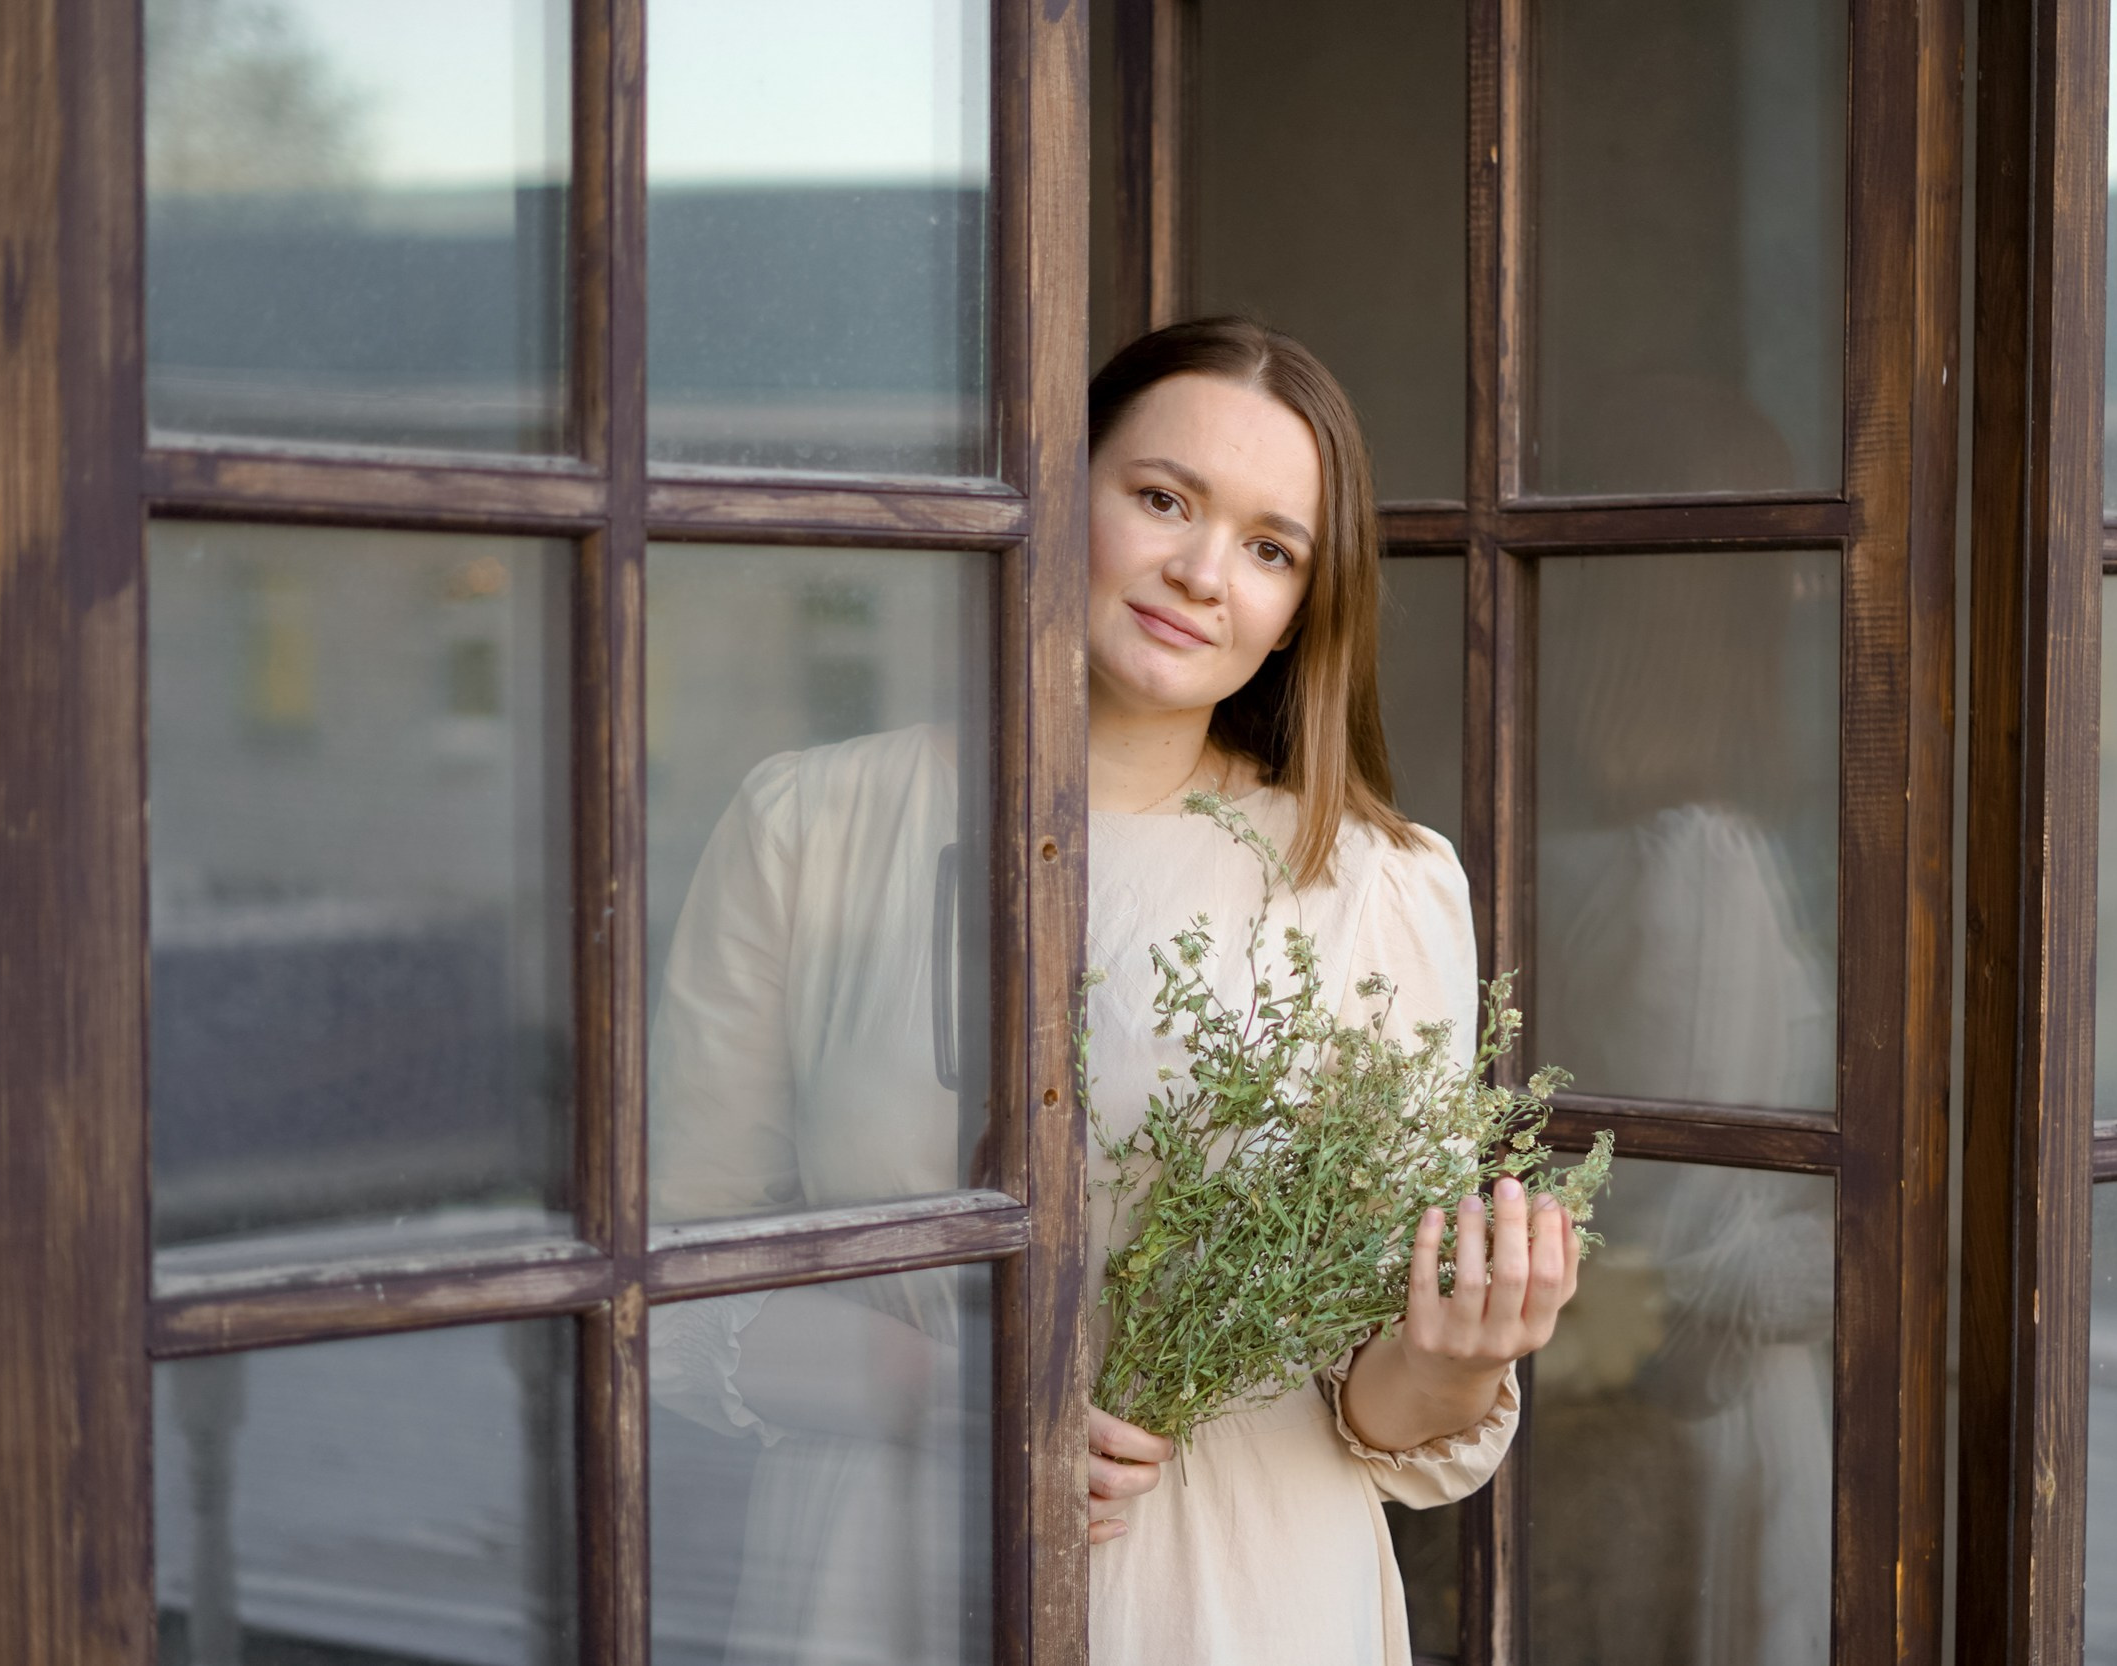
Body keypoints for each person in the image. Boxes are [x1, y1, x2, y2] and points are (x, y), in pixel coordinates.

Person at [645, 317, 1582, 1666]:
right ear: (1055, 484)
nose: (1203, 573)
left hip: (1242, 1598)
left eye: (1272, 548)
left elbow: (1383, 1404)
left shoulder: (1378, 882)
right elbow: (674, 1291)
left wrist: (1455, 1356)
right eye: (1164, 499)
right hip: (894, 1570)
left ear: (1305, 609)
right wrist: (951, 1392)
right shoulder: (812, 825)